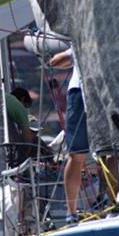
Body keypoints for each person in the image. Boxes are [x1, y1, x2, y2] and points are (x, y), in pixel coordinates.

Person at [49, 46, 88, 225]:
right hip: (86, 90)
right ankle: (71, 212)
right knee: (110, 150)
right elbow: (56, 61)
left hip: (81, 91)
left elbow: (54, 62)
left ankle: (71, 212)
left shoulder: (84, 37)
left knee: (77, 155)